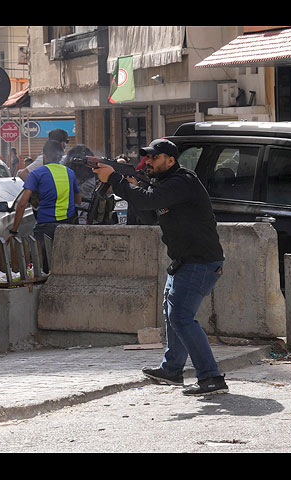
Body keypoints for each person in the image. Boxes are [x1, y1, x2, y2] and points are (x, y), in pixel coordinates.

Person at [93, 138, 228, 396]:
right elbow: (150, 214)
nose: (149, 162)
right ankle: (172, 370)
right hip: (185, 262)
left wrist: (117, 181)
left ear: (171, 160)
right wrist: (131, 187)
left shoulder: (182, 181)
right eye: (148, 158)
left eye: (155, 158)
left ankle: (211, 378)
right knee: (172, 314)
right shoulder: (163, 185)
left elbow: (148, 201)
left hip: (199, 262)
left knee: (181, 317)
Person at [6, 140, 81, 273]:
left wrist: (14, 231)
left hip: (45, 227)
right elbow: (78, 200)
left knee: (42, 268)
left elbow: (22, 203)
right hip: (68, 225)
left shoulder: (37, 174)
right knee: (66, 265)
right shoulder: (70, 173)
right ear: (60, 156)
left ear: (44, 156)